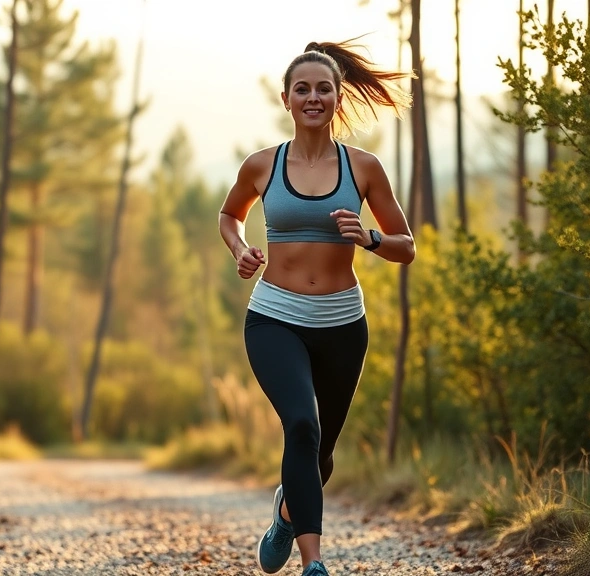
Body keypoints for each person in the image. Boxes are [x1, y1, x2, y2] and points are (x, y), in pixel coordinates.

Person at [218, 40, 416, 576]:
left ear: (337, 96)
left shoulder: (364, 168)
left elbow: (407, 246)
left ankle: (286, 513)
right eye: (302, 89)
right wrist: (241, 250)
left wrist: (370, 238)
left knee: (320, 452)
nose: (313, 97)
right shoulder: (263, 165)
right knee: (301, 425)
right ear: (286, 99)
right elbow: (230, 215)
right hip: (274, 318)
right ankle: (314, 564)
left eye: (323, 88)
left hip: (341, 326)